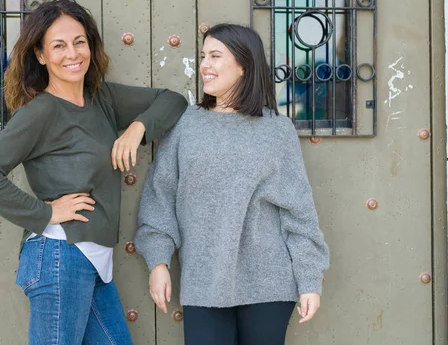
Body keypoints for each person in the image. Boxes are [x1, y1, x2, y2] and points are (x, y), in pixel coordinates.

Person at [0, 0, 187, 345]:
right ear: (40, 55)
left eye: (79, 41)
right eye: (59, 45)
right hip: (59, 259)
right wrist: (46, 212)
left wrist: (137, 127)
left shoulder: (103, 99)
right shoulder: (41, 113)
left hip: (93, 263)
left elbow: (173, 100)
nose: (72, 53)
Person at [134, 23, 330, 345]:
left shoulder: (277, 131)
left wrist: (309, 279)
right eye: (202, 56)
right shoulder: (186, 125)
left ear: (243, 66)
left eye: (215, 56)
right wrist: (158, 261)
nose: (204, 65)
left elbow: (299, 212)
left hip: (269, 282)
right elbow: (161, 197)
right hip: (203, 280)